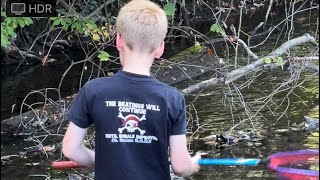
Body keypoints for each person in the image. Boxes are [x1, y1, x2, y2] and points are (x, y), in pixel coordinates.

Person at [61, 0, 202, 179]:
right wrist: (192, 164)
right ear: (160, 48)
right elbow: (180, 167)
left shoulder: (94, 91)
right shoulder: (172, 98)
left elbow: (70, 149)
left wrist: (100, 158)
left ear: (119, 40)